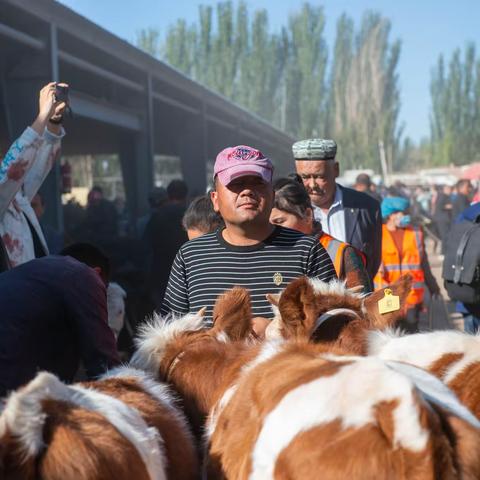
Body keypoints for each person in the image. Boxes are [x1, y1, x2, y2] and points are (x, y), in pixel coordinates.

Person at [161, 145, 336, 325]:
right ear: (215, 199)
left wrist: (276, 333)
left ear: (272, 195)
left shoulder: (307, 251)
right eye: (236, 184)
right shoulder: (190, 256)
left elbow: (336, 330)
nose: (247, 191)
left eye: (258, 182)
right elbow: (171, 337)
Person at [0, 242, 120, 396]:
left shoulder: (32, 273)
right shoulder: (84, 276)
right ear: (96, 273)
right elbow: (103, 359)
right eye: (103, 289)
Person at [293, 138, 382, 279]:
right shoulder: (288, 212)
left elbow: (373, 261)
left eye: (319, 176)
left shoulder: (367, 208)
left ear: (336, 170)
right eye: (305, 177)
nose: (312, 184)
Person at [0, 82, 67, 268]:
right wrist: (42, 116)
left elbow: (37, 167)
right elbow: (11, 171)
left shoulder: (16, 198)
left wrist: (53, 121)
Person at [269, 177, 371, 292]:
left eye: (279, 221)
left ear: (307, 215)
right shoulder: (265, 255)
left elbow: (362, 306)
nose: (272, 228)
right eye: (267, 223)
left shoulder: (342, 254)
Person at [374, 197, 440, 332]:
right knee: (390, 331)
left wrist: (433, 286)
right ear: (390, 215)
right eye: (401, 213)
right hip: (387, 294)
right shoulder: (378, 234)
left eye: (406, 212)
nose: (405, 216)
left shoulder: (416, 233)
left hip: (411, 293)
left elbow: (423, 263)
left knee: (411, 331)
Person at [144, 179, 189, 308]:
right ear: (186, 195)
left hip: (162, 274)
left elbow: (146, 246)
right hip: (188, 273)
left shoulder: (157, 217)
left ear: (168, 196)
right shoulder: (193, 215)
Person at [433, 184, 453, 254]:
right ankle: (443, 252)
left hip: (443, 219)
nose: (451, 191)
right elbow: (440, 206)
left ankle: (444, 251)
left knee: (445, 236)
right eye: (450, 190)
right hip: (442, 219)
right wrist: (451, 206)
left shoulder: (444, 196)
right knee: (445, 236)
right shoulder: (443, 196)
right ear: (446, 190)